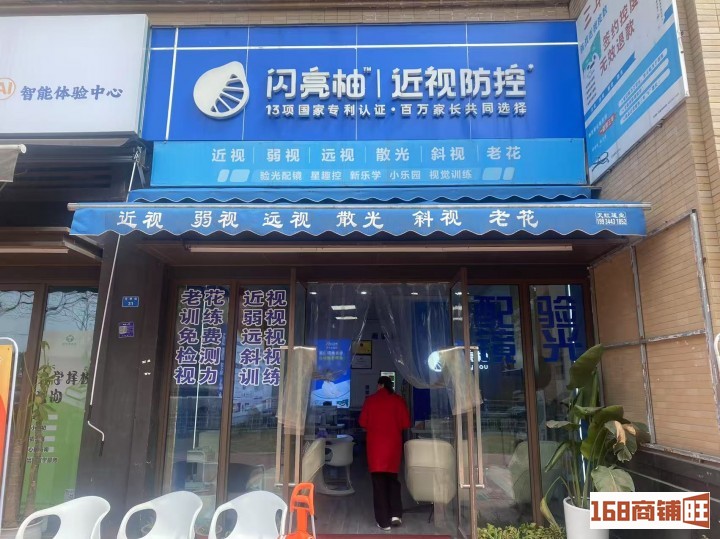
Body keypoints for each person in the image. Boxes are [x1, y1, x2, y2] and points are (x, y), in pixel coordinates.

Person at [358, 376, 411, 531]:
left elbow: (363, 422)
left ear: (380, 385)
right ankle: (396, 515)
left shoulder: (370, 401)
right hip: (393, 449)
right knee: (393, 482)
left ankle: (383, 522)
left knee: (379, 485)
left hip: (376, 450)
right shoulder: (398, 400)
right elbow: (406, 423)